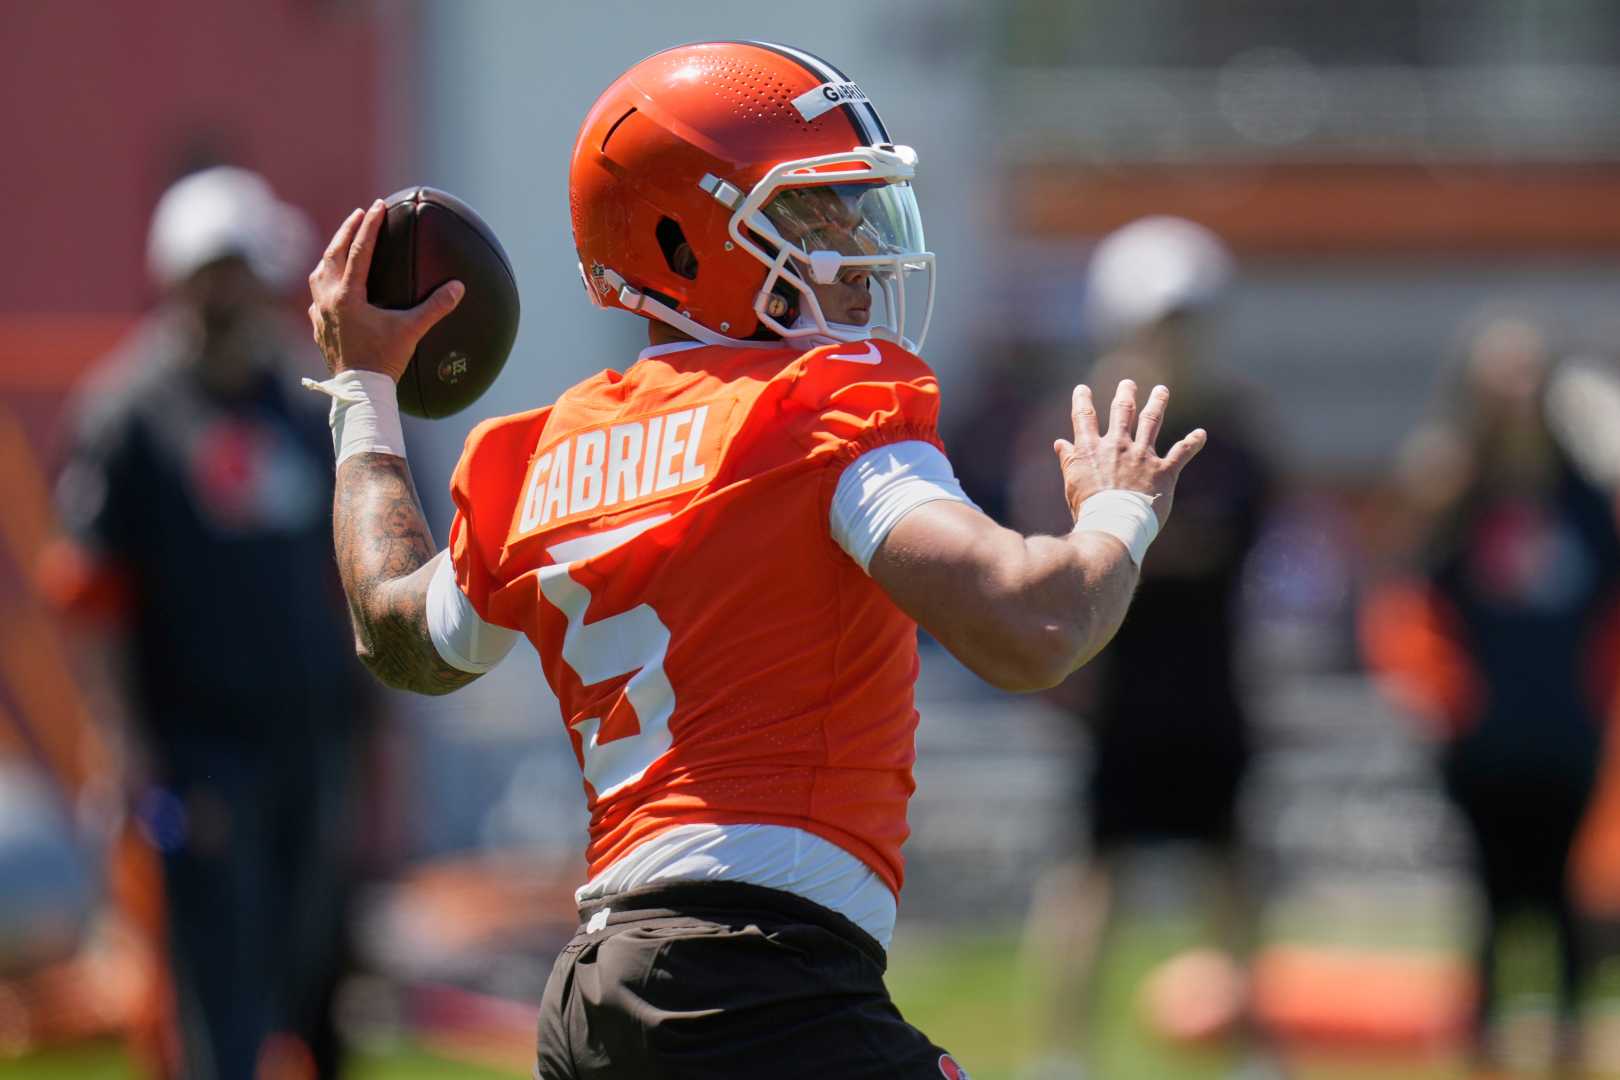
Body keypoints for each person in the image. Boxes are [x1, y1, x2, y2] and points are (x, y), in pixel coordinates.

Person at [304, 41, 1208, 1078]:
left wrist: (362, 391)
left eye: (860, 211)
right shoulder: (815, 411)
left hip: (605, 998)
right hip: (755, 986)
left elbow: (403, 634)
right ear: (683, 246)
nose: (860, 249)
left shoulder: (538, 456)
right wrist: (1116, 514)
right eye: (817, 218)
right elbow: (1033, 624)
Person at [41, 166, 367, 1080]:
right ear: (181, 275)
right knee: (215, 990)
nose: (234, 291)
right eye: (215, 271)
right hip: (199, 751)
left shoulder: (307, 403)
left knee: (312, 983)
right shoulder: (131, 412)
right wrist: (121, 746)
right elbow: (88, 591)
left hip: (314, 740)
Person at [990, 218, 1274, 1076]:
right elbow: (1059, 548)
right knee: (1089, 878)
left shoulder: (1230, 432)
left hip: (1209, 685)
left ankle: (1248, 1048)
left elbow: (1218, 541)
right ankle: (1064, 1052)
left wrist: (1133, 535)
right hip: (1114, 693)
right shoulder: (1084, 432)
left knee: (1233, 874)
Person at [1362, 317, 1620, 1074]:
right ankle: (1485, 1054)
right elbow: (1408, 597)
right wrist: (1438, 696)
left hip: (1566, 728)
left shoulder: (1582, 495)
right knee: (1491, 904)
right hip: (1482, 739)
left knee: (1568, 903)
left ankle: (1570, 1049)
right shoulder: (1455, 492)